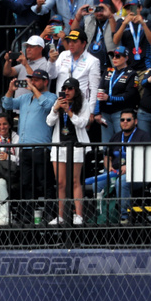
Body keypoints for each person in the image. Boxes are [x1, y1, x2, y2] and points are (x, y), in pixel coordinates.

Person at [2, 68, 58, 225]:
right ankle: (26, 214)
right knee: (26, 183)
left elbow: (49, 107)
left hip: (41, 147)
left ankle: (49, 214)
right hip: (25, 147)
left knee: (45, 182)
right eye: (32, 79)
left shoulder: (51, 96)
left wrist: (34, 90)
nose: (33, 82)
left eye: (37, 80)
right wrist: (10, 90)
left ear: (45, 82)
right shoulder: (25, 97)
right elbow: (7, 104)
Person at [87, 109, 151, 224]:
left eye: (128, 119)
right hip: (115, 172)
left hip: (137, 173)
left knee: (121, 182)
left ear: (135, 121)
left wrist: (130, 166)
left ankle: (124, 216)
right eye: (122, 120)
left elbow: (147, 157)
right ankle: (99, 213)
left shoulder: (143, 136)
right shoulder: (116, 137)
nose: (125, 122)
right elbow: (107, 156)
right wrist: (109, 167)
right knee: (97, 183)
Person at [47, 77, 90, 225]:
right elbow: (49, 121)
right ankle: (60, 216)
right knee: (60, 182)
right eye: (65, 89)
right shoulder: (58, 102)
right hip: (59, 145)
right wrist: (56, 108)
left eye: (70, 89)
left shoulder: (83, 103)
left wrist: (69, 112)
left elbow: (83, 123)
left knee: (75, 180)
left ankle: (78, 215)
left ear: (76, 90)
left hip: (76, 145)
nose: (67, 91)